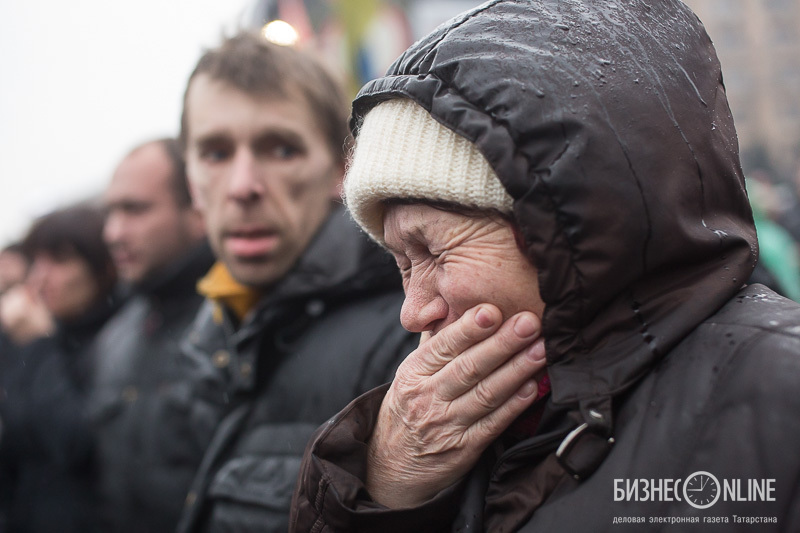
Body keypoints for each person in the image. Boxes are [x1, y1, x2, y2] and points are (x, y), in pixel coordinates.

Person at [291, 1, 800, 531]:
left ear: (564, 223)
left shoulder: (782, 401)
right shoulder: (444, 421)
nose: (413, 312)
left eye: (434, 252)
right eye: (401, 263)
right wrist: (386, 488)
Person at [175, 32, 417, 532]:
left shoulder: (405, 332)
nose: (243, 186)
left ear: (339, 168)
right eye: (215, 153)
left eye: (281, 149)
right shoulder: (204, 334)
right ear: (190, 175)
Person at [90, 137, 212, 533]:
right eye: (111, 212)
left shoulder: (241, 319)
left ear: (197, 210)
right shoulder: (114, 337)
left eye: (135, 209)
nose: (113, 232)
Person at [0, 204, 118, 533]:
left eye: (60, 261)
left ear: (103, 267)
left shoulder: (117, 341)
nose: (40, 278)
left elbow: (72, 444)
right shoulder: (39, 336)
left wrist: (38, 343)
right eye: (37, 262)